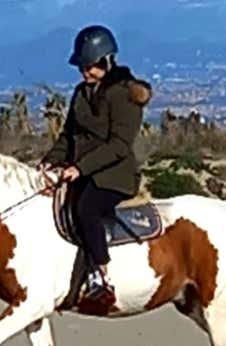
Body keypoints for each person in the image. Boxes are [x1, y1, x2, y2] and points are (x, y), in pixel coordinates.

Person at [40, 25, 152, 301]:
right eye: (82, 67)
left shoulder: (125, 95)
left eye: (89, 66)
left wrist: (79, 168)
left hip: (115, 175)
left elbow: (119, 145)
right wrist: (49, 161)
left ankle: (101, 275)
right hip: (83, 172)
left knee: (86, 208)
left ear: (106, 61)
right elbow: (68, 135)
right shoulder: (80, 93)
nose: (84, 72)